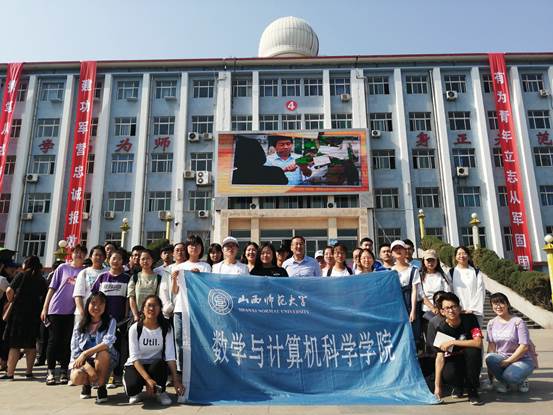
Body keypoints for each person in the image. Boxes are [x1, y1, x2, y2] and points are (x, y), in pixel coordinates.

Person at [124, 295, 184, 406]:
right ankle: (138, 392)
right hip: (136, 365)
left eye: (155, 306)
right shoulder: (135, 328)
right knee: (132, 388)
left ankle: (160, 392)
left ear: (160, 309)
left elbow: (170, 357)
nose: (151, 309)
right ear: (143, 309)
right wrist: (148, 379)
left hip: (155, 366)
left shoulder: (166, 328)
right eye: (149, 306)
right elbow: (135, 358)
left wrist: (176, 380)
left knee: (160, 364)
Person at [426, 292, 483, 405]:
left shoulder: (470, 319)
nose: (451, 310)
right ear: (442, 311)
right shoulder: (441, 328)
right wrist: (437, 387)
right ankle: (458, 386)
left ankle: (472, 391)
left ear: (459, 307)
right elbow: (440, 357)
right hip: (454, 359)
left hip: (469, 357)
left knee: (473, 352)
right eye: (447, 308)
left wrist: (452, 342)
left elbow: (478, 343)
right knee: (448, 374)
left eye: (453, 306)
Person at [41, 244, 87, 385]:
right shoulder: (62, 268)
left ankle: (63, 371)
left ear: (85, 256)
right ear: (71, 254)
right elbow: (52, 288)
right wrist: (45, 308)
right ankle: (50, 371)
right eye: (76, 252)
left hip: (72, 312)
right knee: (53, 340)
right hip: (56, 309)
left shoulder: (84, 271)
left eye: (81, 253)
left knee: (67, 341)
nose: (78, 255)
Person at [171, 235, 211, 391]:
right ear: (187, 248)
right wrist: (174, 278)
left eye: (197, 245)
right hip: (180, 308)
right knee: (179, 340)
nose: (194, 248)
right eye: (191, 245)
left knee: (197, 340)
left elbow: (208, 289)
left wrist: (199, 277)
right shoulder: (179, 267)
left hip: (198, 310)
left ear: (201, 248)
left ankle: (196, 371)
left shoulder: (206, 266)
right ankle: (181, 371)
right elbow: (175, 291)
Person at [1, 256, 47, 380]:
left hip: (18, 313)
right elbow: (44, 295)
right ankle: (29, 372)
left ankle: (10, 373)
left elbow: (9, 290)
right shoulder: (41, 279)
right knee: (31, 345)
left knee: (15, 345)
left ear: (26, 264)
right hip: (34, 314)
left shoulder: (21, 275)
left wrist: (12, 300)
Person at [91, 248, 131, 389]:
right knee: (103, 347)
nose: (116, 261)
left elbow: (128, 299)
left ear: (123, 261)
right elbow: (94, 297)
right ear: (108, 260)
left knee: (118, 347)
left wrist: (126, 316)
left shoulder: (127, 278)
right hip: (103, 320)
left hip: (120, 320)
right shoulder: (102, 277)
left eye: (119, 259)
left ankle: (116, 376)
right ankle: (102, 376)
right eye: (113, 258)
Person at [69, 292, 118, 403]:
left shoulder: (111, 321)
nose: (96, 307)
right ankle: (86, 385)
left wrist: (85, 353)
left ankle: (101, 388)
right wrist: (87, 367)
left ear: (105, 306)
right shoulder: (79, 325)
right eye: (93, 303)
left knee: (103, 353)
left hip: (105, 361)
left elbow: (107, 343)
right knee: (76, 377)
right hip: (85, 362)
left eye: (101, 304)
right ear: (88, 305)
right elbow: (75, 351)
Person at [485, 292, 536, 394]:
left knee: (510, 376)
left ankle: (522, 379)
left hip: (522, 359)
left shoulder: (518, 322)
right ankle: (505, 383)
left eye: (501, 303)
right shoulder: (491, 323)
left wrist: (508, 361)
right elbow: (491, 347)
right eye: (495, 304)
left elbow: (524, 347)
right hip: (502, 357)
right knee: (490, 358)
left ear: (507, 304)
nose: (498, 306)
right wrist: (490, 374)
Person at [450, 246, 486, 329]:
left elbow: (480, 291)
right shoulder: (451, 273)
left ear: (468, 256)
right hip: (457, 313)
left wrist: (472, 309)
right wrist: (456, 308)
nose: (461, 256)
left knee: (475, 335)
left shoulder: (476, 272)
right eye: (459, 254)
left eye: (464, 253)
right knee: (460, 335)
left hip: (474, 313)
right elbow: (450, 292)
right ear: (455, 257)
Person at [74, 245, 108, 321]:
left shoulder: (108, 272)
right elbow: (78, 295)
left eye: (101, 255)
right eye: (96, 255)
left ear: (105, 258)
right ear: (90, 257)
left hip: (102, 313)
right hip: (84, 313)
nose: (98, 257)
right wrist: (82, 313)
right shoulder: (84, 272)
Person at [390, 240, 421, 324]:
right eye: (395, 249)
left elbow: (414, 291)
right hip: (396, 305)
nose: (398, 250)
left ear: (405, 251)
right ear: (392, 253)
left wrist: (413, 310)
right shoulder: (390, 271)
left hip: (410, 303)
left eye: (400, 248)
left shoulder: (413, 269)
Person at [128, 249, 162, 323]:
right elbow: (131, 297)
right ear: (139, 261)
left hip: (153, 316)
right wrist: (135, 315)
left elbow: (159, 298)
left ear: (152, 260)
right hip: (137, 316)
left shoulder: (158, 278)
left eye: (148, 258)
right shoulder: (135, 277)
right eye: (143, 259)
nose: (145, 261)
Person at [154, 245, 174, 320]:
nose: (167, 255)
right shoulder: (156, 271)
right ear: (161, 256)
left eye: (170, 253)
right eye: (165, 253)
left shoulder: (177, 268)